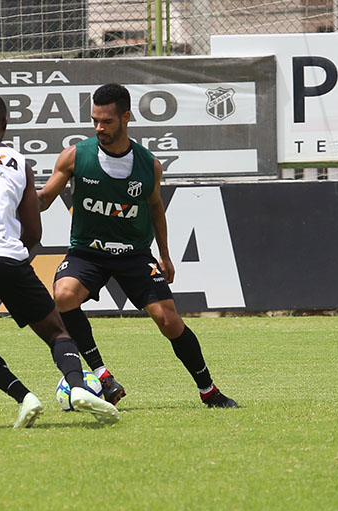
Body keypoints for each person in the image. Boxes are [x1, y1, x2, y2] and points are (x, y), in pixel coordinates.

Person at [0, 92, 120, 428]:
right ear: (4, 125)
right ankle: (77, 385)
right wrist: (14, 259)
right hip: (9, 258)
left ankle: (24, 397)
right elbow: (33, 232)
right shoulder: (18, 163)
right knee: (57, 332)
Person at [38, 83, 237, 408]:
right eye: (95, 121)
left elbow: (155, 206)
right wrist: (18, 196)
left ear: (126, 117)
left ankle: (209, 391)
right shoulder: (75, 156)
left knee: (169, 321)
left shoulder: (149, 164)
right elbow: (45, 199)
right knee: (63, 295)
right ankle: (103, 377)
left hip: (134, 255)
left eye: (107, 121)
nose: (100, 128)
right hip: (88, 252)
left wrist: (166, 254)